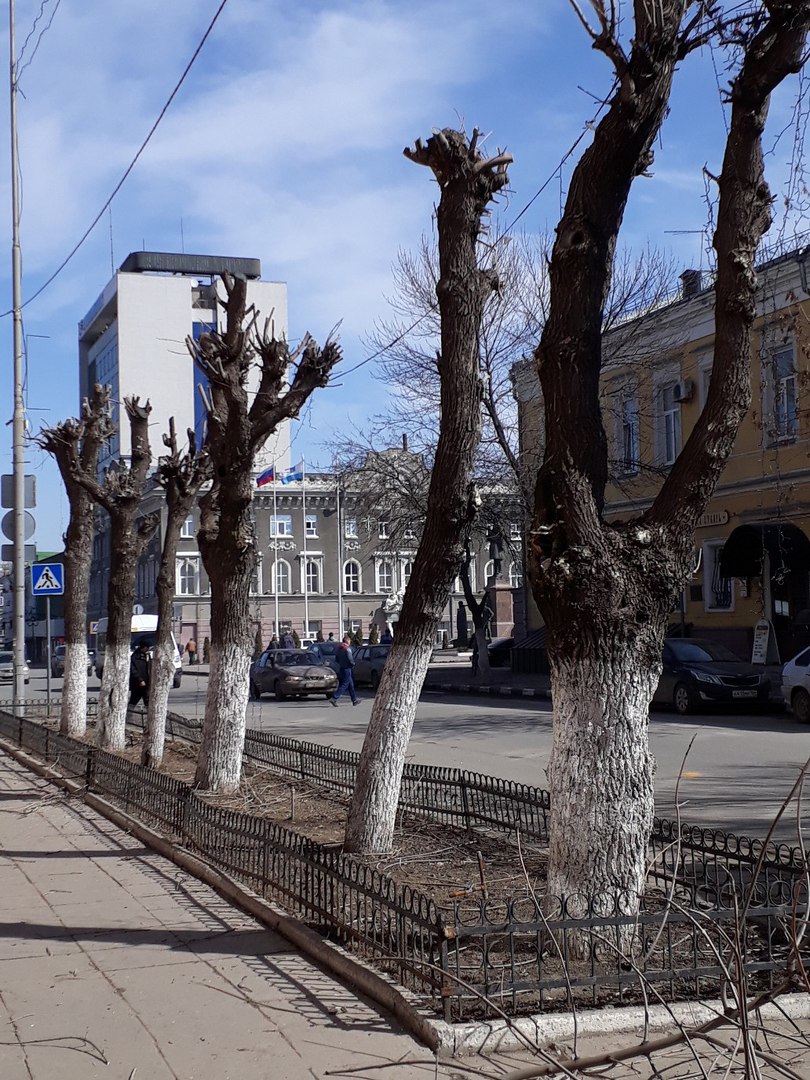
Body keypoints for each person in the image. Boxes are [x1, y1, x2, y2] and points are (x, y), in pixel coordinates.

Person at [331, 633, 359, 707]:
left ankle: (354, 700)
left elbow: (336, 659)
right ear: (347, 641)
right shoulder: (347, 649)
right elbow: (350, 659)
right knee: (345, 684)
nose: (350, 642)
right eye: (349, 641)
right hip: (347, 668)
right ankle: (334, 698)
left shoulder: (339, 649)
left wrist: (341, 663)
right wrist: (353, 664)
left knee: (351, 685)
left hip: (342, 668)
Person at [129, 641, 151, 707]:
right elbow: (133, 671)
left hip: (146, 683)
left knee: (148, 701)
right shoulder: (135, 657)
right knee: (134, 700)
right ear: (143, 648)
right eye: (147, 648)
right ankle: (128, 714)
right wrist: (140, 680)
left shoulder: (146, 656)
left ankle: (147, 715)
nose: (148, 650)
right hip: (137, 684)